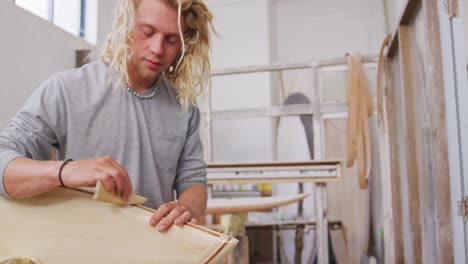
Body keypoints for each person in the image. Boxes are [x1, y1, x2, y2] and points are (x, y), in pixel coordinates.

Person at [0, 0, 214, 233]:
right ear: (126, 23)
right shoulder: (66, 89)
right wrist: (66, 171)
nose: (157, 48)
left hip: (153, 248)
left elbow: (193, 182)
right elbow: (3, 161)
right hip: (80, 247)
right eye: (147, 32)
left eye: (172, 40)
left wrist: (187, 207)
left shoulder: (184, 108)